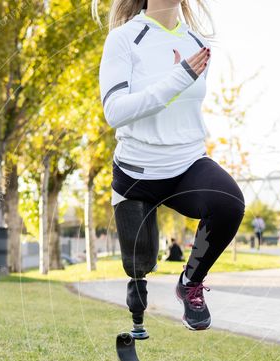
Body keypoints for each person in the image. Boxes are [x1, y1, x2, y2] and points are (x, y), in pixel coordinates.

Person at [96, 0, 245, 334]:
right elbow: (115, 111)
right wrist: (178, 78)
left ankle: (190, 282)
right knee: (139, 265)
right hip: (138, 173)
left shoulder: (196, 44)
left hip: (186, 164)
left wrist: (184, 78)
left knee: (229, 203)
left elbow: (185, 110)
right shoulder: (123, 39)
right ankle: (136, 316)